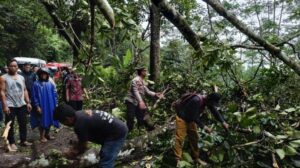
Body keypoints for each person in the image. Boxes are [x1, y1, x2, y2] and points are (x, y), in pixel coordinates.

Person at [54, 104, 128, 168]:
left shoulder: (79, 124)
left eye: (62, 122)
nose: (63, 124)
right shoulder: (79, 114)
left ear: (67, 119)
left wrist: (72, 153)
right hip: (113, 130)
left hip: (117, 133)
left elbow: (83, 145)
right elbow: (82, 140)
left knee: (106, 161)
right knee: (104, 153)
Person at [173, 92, 229, 166]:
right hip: (182, 118)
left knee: (195, 138)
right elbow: (195, 117)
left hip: (190, 119)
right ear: (208, 99)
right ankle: (177, 160)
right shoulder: (196, 100)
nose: (212, 105)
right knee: (179, 139)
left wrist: (223, 122)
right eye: (212, 103)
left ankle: (196, 158)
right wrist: (204, 127)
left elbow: (214, 112)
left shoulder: (208, 101)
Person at [0, 59, 32, 152]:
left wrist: (28, 102)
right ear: (8, 67)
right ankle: (11, 142)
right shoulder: (3, 77)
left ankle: (23, 140)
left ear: (18, 67)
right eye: (11, 66)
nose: (13, 67)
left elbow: (25, 90)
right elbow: (2, 92)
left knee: (23, 123)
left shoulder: (21, 77)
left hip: (21, 104)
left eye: (15, 66)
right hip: (10, 105)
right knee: (10, 124)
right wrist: (5, 106)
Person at [124, 67, 163, 132]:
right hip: (131, 101)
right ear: (141, 72)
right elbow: (135, 91)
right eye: (145, 71)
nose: (146, 72)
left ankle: (140, 131)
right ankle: (128, 133)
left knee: (141, 117)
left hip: (138, 102)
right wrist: (141, 101)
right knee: (130, 118)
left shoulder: (142, 81)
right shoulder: (136, 80)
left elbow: (147, 91)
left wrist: (155, 94)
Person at [31, 68, 59, 142]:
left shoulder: (50, 84)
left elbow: (55, 95)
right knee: (41, 120)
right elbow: (34, 97)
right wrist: (37, 106)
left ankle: (47, 134)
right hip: (42, 105)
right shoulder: (36, 84)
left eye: (45, 74)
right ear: (39, 75)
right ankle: (41, 136)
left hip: (50, 105)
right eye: (42, 74)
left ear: (47, 75)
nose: (44, 75)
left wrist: (56, 104)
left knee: (50, 119)